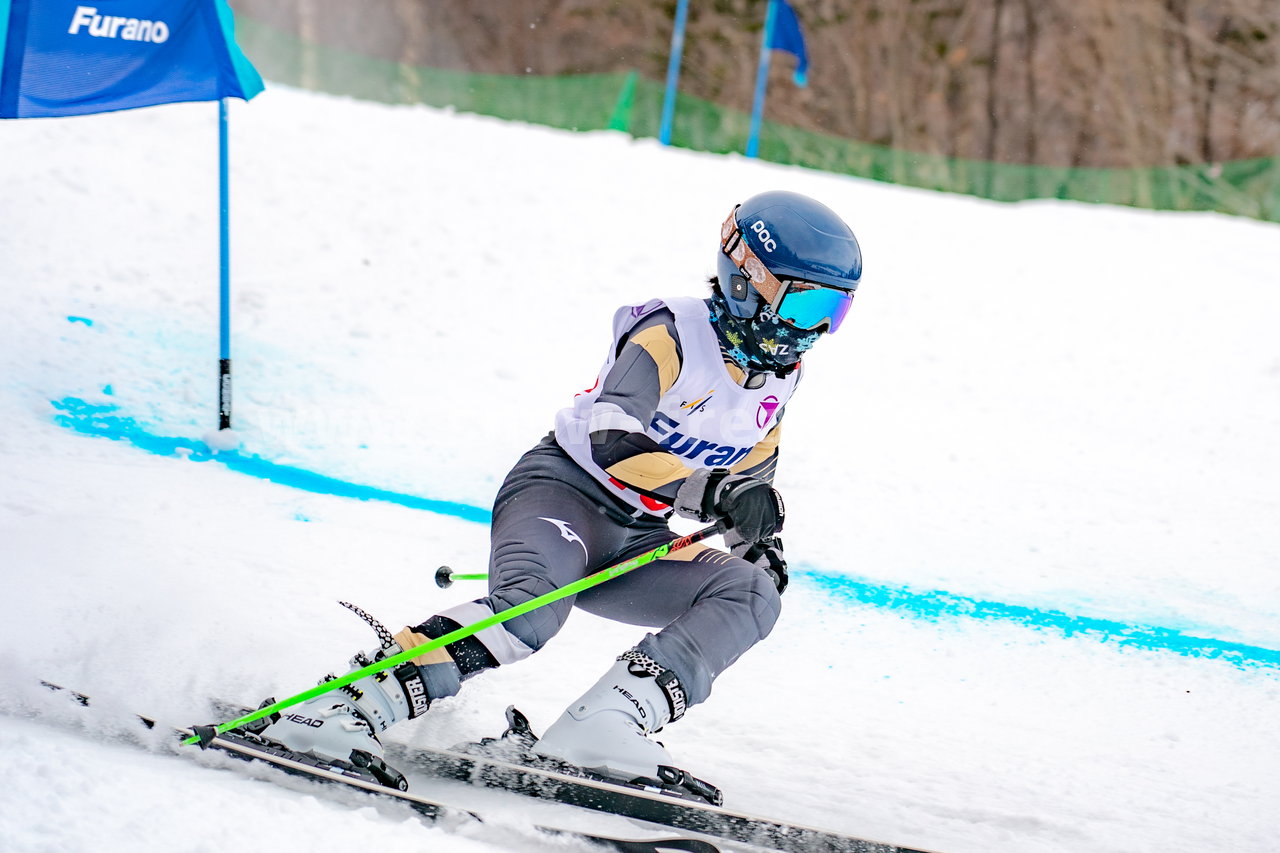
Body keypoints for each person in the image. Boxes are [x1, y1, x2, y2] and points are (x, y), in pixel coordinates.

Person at [252, 190, 863, 789]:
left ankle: (605, 725)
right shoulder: (670, 334)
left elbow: (750, 481)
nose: (814, 333)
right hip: (563, 494)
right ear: (746, 279)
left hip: (639, 537)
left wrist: (757, 543)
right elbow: (614, 441)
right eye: (806, 309)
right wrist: (711, 494)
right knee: (531, 612)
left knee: (752, 594)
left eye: (834, 316)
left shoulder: (779, 378)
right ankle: (342, 708)